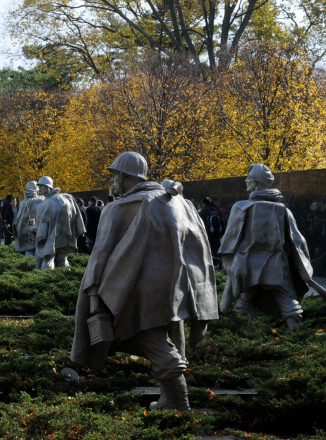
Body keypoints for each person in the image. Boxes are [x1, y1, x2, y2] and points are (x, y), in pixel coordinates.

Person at [71, 151, 217, 412]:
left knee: (152, 340)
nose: (113, 180)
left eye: (115, 175)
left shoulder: (119, 208)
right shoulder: (178, 202)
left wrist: (93, 291)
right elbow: (199, 247)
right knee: (167, 336)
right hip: (177, 286)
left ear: (126, 177)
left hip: (138, 289)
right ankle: (169, 397)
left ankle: (177, 401)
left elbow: (101, 254)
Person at [219, 164, 317, 330]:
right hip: (276, 266)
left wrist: (229, 264)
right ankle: (295, 336)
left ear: (256, 182)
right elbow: (297, 242)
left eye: (249, 178)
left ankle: (249, 337)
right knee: (289, 304)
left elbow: (229, 242)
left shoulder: (241, 207)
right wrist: (302, 269)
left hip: (247, 266)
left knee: (244, 301)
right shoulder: (283, 209)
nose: (246, 181)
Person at [34, 176, 85, 269]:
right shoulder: (67, 197)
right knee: (63, 261)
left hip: (51, 239)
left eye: (42, 186)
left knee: (47, 260)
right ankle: (66, 280)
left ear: (49, 187)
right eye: (39, 186)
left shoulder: (46, 204)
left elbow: (42, 227)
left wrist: (33, 228)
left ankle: (45, 282)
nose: (39, 188)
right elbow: (75, 217)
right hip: (66, 236)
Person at [13, 181, 43, 257]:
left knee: (29, 250)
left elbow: (17, 219)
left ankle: (27, 264)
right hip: (37, 229)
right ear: (37, 190)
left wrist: (15, 229)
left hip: (23, 231)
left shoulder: (23, 202)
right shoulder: (42, 200)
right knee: (38, 249)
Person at [199, 197, 224, 268]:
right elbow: (221, 222)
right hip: (217, 232)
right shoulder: (216, 210)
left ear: (203, 203)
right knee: (216, 247)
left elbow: (200, 222)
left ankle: (211, 263)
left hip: (207, 232)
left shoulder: (203, 211)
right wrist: (222, 232)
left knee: (208, 247)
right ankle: (219, 262)